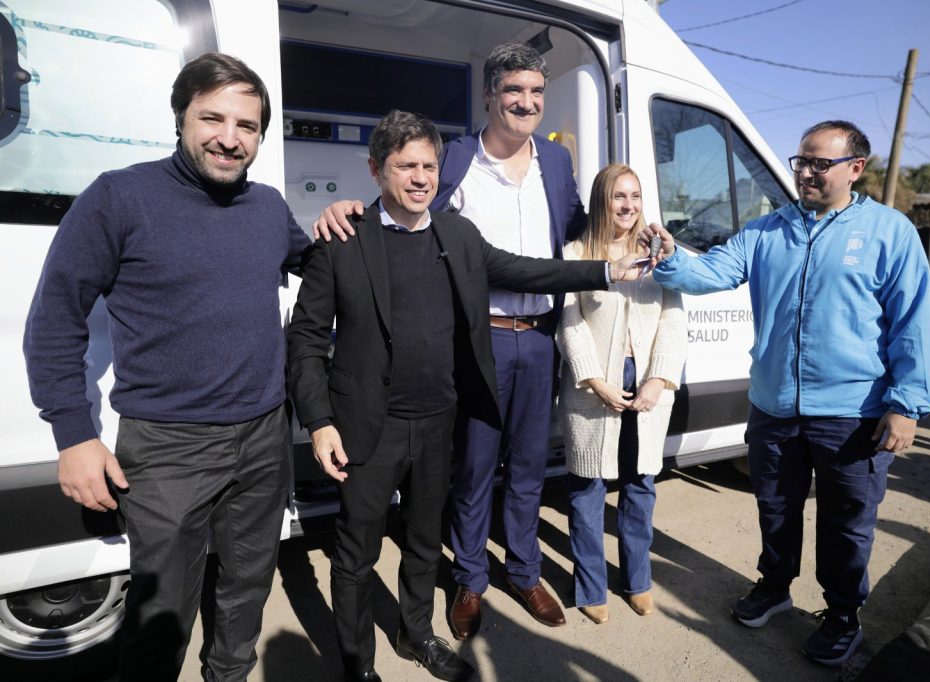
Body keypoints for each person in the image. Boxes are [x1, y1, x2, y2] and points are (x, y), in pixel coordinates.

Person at [287, 110, 645, 682]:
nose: (420, 178)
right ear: (376, 170)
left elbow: (525, 271)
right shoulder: (343, 240)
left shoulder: (457, 235)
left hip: (438, 422)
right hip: (367, 427)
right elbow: (305, 339)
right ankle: (358, 666)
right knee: (355, 555)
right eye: (406, 166)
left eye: (429, 166)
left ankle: (416, 633)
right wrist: (320, 421)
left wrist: (607, 270)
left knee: (424, 543)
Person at [22, 53, 348, 680]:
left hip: (263, 436)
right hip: (167, 447)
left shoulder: (266, 207)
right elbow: (55, 319)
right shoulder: (119, 197)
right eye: (212, 118)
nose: (230, 138)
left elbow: (318, 267)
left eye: (247, 126)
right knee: (161, 615)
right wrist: (74, 435)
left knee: (246, 595)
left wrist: (340, 225)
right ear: (180, 118)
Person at [312, 41, 589, 639]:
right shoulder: (457, 157)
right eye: (513, 90)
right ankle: (470, 577)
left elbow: (572, 231)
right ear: (489, 96)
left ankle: (525, 571)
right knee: (474, 468)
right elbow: (407, 213)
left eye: (536, 91)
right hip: (480, 339)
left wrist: (623, 245)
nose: (526, 102)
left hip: (540, 336)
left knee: (529, 467)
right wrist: (351, 214)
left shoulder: (557, 160)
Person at [645, 120, 930, 666]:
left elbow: (914, 322)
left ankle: (843, 614)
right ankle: (775, 586)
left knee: (846, 523)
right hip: (774, 405)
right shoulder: (767, 231)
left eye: (819, 163)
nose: (805, 172)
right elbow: (711, 273)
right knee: (775, 507)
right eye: (801, 161)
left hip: (853, 412)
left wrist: (906, 405)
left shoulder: (888, 232)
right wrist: (671, 259)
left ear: (855, 168)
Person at [555, 164, 686, 625]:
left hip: (646, 379)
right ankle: (591, 587)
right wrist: (594, 379)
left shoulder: (658, 255)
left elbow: (674, 320)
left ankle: (637, 580)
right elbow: (569, 323)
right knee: (587, 489)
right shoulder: (576, 254)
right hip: (594, 385)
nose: (628, 206)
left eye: (634, 196)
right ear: (601, 201)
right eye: (618, 196)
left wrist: (659, 378)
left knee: (640, 484)